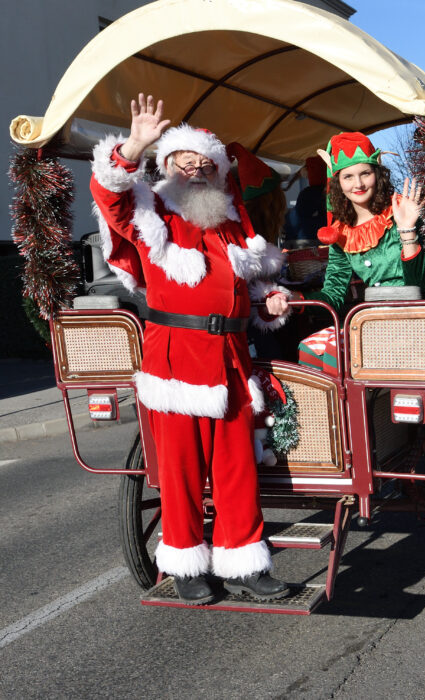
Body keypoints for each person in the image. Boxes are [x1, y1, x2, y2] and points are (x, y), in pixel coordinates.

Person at [90, 94, 291, 604]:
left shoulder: (229, 221)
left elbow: (247, 285)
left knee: (236, 466)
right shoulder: (150, 209)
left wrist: (269, 302)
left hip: (230, 357)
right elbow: (110, 198)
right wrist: (131, 145)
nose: (197, 169)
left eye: (207, 163)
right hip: (175, 358)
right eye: (186, 160)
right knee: (179, 471)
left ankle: (243, 561)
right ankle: (184, 560)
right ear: (168, 164)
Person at [266, 132, 425, 371]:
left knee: (334, 353)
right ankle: (334, 409)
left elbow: (421, 284)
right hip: (372, 322)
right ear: (338, 182)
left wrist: (407, 229)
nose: (358, 184)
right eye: (348, 176)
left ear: (377, 174)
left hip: (416, 322)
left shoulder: (400, 212)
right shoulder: (341, 233)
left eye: (365, 173)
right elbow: (333, 295)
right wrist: (293, 299)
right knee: (312, 348)